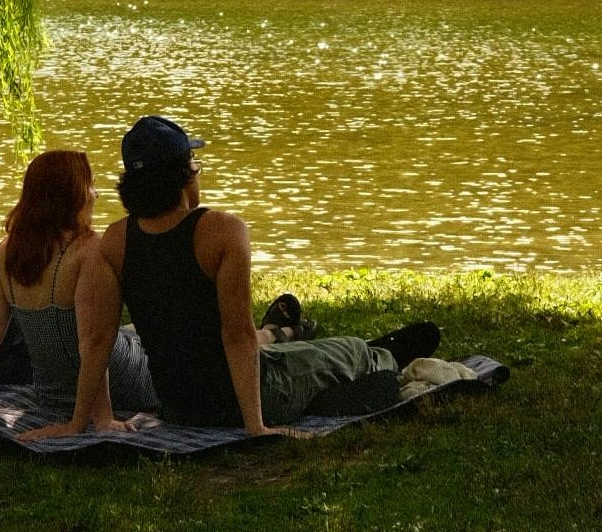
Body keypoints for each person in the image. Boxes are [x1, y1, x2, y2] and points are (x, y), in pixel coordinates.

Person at [53, 116, 439, 438]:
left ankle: (317, 355)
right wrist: (255, 426)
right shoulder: (223, 232)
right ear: (185, 175)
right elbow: (237, 335)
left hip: (179, 408)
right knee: (350, 350)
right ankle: (383, 356)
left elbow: (98, 338)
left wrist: (78, 422)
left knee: (291, 353)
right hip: (255, 396)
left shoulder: (115, 242)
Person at [0, 149, 158, 426]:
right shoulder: (89, 250)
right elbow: (93, 345)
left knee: (129, 334)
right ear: (72, 194)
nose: (96, 194)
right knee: (159, 340)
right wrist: (98, 419)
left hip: (52, 395)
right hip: (126, 386)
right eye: (89, 186)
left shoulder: (5, 253)